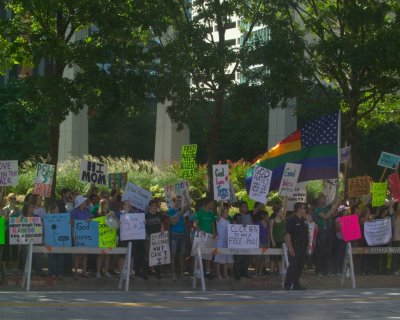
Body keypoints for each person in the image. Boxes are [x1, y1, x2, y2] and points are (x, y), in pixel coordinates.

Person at [284, 202, 309, 290]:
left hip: (303, 246)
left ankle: (296, 284)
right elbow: (288, 234)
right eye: (304, 208)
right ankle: (287, 285)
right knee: (293, 265)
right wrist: (290, 247)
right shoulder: (291, 220)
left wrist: (309, 244)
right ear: (299, 209)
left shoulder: (304, 220)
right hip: (295, 245)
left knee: (300, 265)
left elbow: (307, 233)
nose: (305, 209)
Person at [314, 194, 338, 276]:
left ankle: (326, 270)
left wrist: (337, 190)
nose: (325, 199)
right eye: (323, 197)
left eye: (325, 197)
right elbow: (325, 216)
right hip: (321, 231)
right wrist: (334, 208)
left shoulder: (327, 207)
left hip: (329, 231)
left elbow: (334, 201)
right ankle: (318, 270)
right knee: (320, 251)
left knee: (328, 251)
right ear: (319, 200)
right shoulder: (317, 209)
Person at [168, 195, 190, 281]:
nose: (178, 202)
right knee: (173, 255)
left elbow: (189, 205)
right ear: (173, 202)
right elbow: (173, 222)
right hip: (174, 234)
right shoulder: (170, 211)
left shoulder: (182, 210)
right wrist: (179, 213)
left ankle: (182, 273)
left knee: (182, 255)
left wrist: (185, 195)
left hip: (182, 234)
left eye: (179, 201)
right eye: (176, 201)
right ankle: (173, 273)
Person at [193, 198, 216, 277]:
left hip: (210, 237)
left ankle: (207, 272)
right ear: (207, 204)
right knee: (200, 255)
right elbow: (195, 224)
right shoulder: (200, 213)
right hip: (202, 237)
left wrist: (214, 233)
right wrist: (200, 230)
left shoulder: (211, 213)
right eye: (212, 204)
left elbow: (213, 224)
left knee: (209, 254)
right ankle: (199, 271)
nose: (213, 206)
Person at [232, 201, 254, 279]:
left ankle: (244, 272)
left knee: (247, 258)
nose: (246, 208)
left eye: (247, 206)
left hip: (248, 241)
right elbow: (234, 226)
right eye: (244, 206)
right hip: (239, 241)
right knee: (239, 258)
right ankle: (237, 274)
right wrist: (240, 226)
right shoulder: (237, 216)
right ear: (240, 208)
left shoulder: (250, 215)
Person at [71, 195, 91, 279]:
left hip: (86, 235)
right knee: (78, 254)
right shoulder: (74, 211)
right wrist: (73, 234)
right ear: (80, 203)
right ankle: (75, 273)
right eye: (83, 201)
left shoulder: (87, 210)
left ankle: (84, 272)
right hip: (77, 235)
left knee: (85, 254)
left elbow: (91, 220)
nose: (85, 202)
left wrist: (89, 220)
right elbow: (72, 223)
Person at [93, 198, 113, 279]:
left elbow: (115, 223)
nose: (107, 205)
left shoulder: (111, 213)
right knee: (100, 255)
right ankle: (98, 272)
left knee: (107, 255)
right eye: (105, 204)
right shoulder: (98, 214)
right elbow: (94, 223)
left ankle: (106, 271)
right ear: (102, 205)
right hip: (100, 237)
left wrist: (112, 217)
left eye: (108, 204)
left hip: (109, 237)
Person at [145, 199, 164, 279]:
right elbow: (143, 227)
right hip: (149, 237)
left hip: (158, 238)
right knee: (147, 254)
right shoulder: (146, 215)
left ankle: (158, 272)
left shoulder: (159, 214)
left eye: (155, 206)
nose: (154, 208)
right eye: (152, 206)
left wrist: (162, 229)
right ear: (149, 207)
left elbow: (162, 223)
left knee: (157, 254)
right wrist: (147, 236)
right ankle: (147, 271)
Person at [214, 203, 233, 279]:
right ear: (221, 213)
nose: (227, 213)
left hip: (226, 242)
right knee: (218, 259)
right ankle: (219, 274)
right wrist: (221, 202)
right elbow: (218, 213)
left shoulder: (228, 221)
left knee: (225, 259)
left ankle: (225, 274)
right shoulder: (219, 220)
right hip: (219, 242)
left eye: (227, 212)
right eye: (225, 212)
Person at [46, 201, 65, 279]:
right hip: (50, 241)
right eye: (56, 209)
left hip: (60, 241)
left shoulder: (62, 218)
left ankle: (60, 273)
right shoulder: (47, 218)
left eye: (58, 209)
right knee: (51, 257)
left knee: (60, 257)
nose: (58, 211)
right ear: (52, 210)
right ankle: (52, 273)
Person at [270, 204, 285, 274]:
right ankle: (271, 270)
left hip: (282, 240)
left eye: (281, 211)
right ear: (276, 213)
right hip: (275, 240)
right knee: (273, 256)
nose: (281, 212)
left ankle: (280, 271)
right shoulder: (272, 221)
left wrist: (286, 199)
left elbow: (285, 209)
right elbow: (270, 232)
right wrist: (272, 241)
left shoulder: (283, 219)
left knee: (281, 257)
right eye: (280, 211)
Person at [255, 211, 270, 276]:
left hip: (265, 242)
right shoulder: (258, 223)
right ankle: (256, 271)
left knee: (263, 258)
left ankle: (260, 272)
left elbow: (268, 234)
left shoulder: (268, 224)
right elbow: (256, 233)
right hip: (259, 242)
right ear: (263, 216)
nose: (268, 217)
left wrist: (269, 243)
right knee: (258, 258)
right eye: (267, 216)